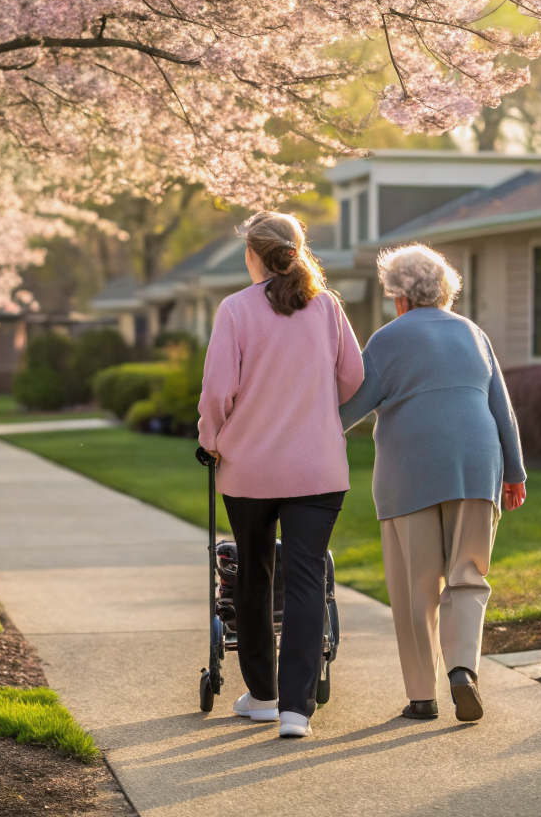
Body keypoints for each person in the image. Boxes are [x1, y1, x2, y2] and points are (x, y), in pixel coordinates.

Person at [339, 243, 526, 723]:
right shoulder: (473, 333)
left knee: (415, 588)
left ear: (399, 296)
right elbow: (501, 409)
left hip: (409, 473)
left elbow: (346, 411)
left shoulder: (386, 340)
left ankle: (422, 697)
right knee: (468, 575)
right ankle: (463, 669)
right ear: (444, 290)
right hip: (477, 466)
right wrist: (515, 473)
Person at [197, 211, 364, 739]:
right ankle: (297, 708)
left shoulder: (235, 310)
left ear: (254, 254)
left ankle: (264, 696)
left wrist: (212, 440)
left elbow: (218, 393)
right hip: (318, 467)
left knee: (254, 574)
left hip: (249, 469)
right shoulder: (328, 308)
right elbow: (353, 377)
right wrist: (310, 411)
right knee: (307, 578)